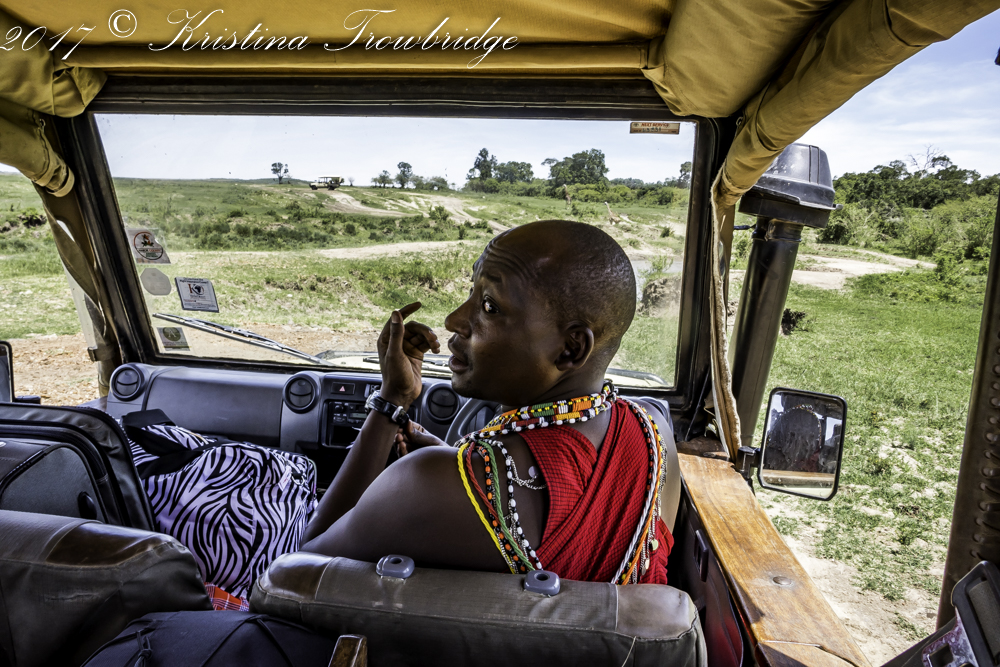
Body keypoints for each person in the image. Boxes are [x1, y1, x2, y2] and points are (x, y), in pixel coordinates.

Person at [300, 219, 672, 584]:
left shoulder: (422, 485)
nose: (453, 320)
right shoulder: (654, 436)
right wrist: (454, 462)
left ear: (570, 349)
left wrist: (391, 401)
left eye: (490, 307)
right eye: (471, 293)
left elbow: (300, 566)